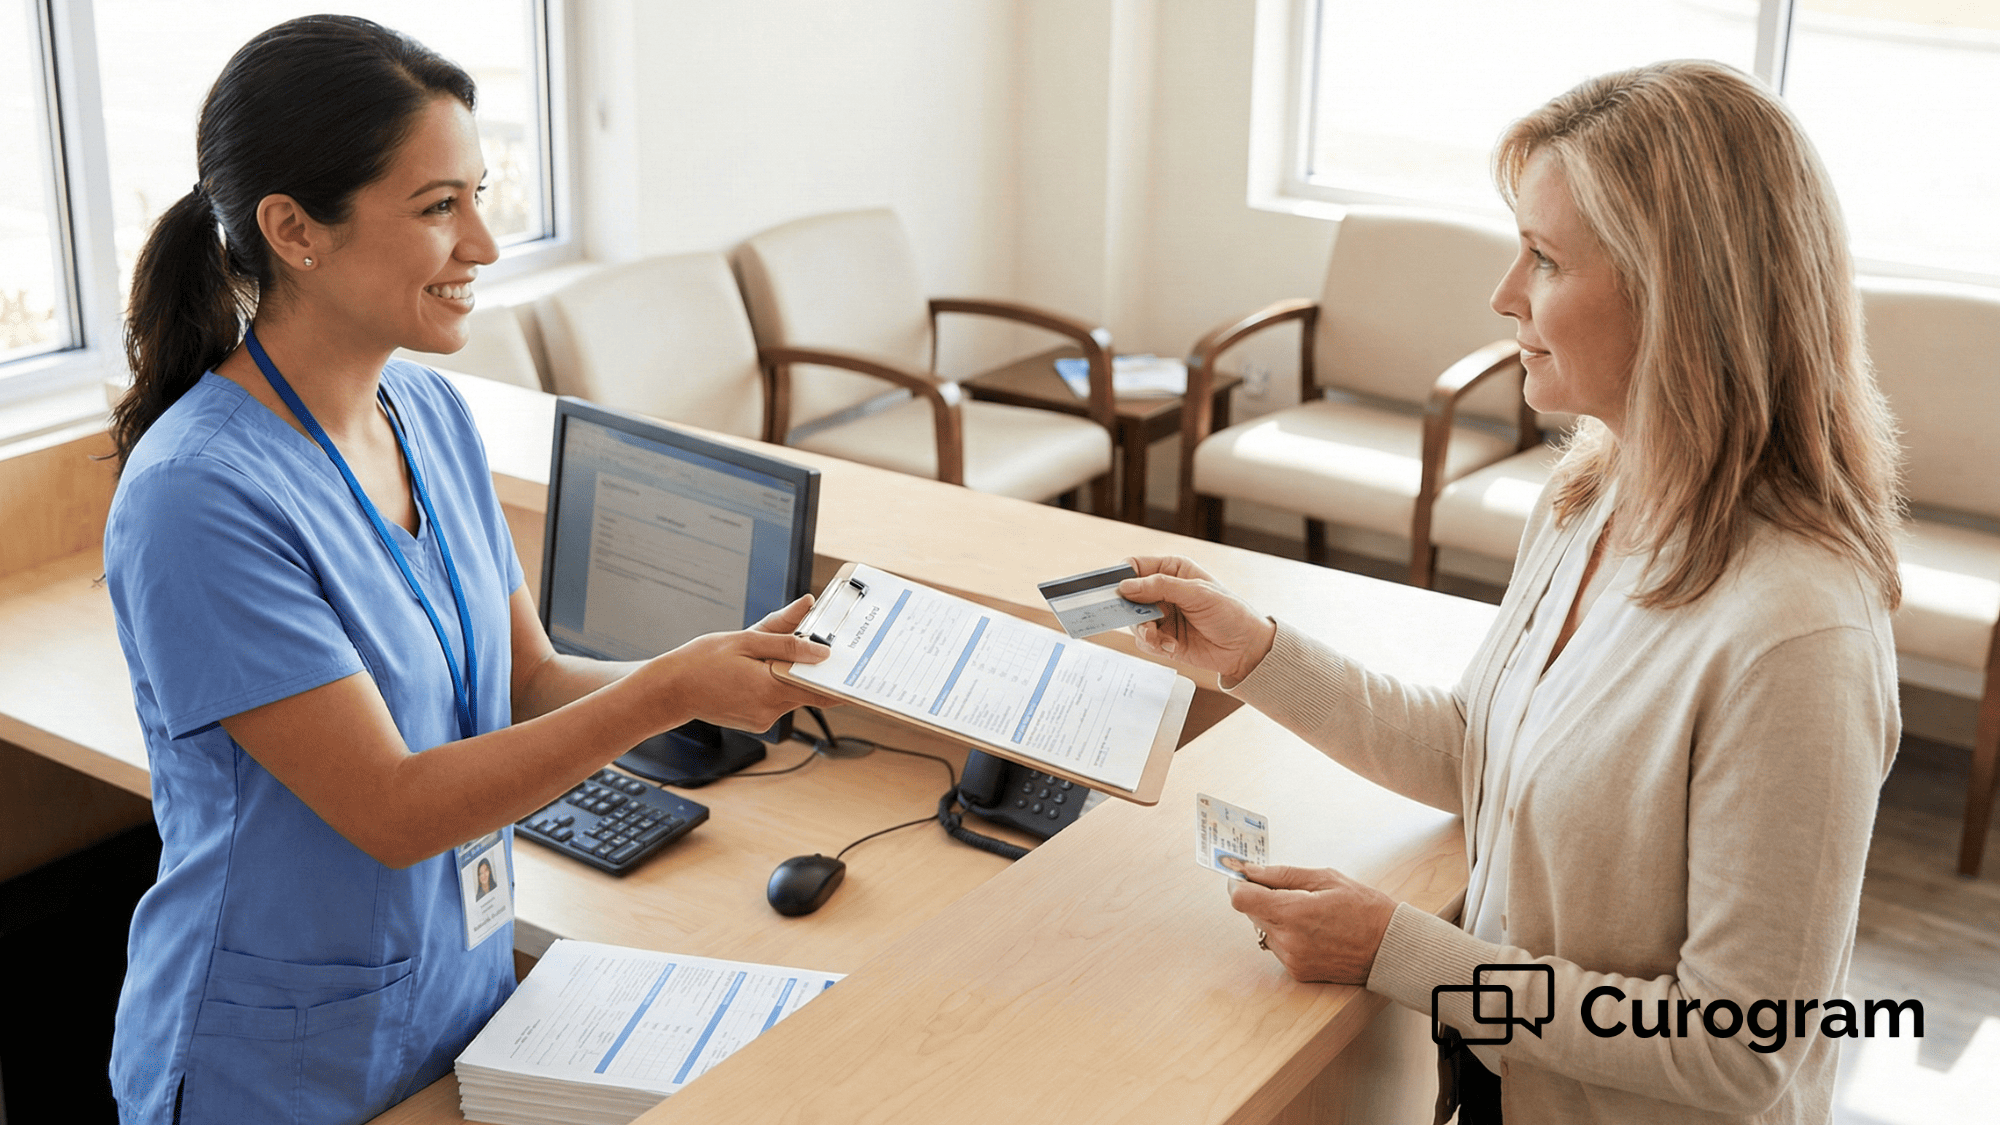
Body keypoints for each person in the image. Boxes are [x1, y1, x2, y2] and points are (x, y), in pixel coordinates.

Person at [1120, 61, 1901, 1124]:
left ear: (1683, 296)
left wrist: (1399, 951)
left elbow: (1738, 1050)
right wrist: (1254, 652)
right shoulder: (1591, 494)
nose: (1502, 295)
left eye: (1542, 257)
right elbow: (1475, 751)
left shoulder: (1794, 630)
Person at [103, 17, 829, 1125]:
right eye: (440, 207)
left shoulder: (430, 415)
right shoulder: (199, 497)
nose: (484, 246)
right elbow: (390, 810)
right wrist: (666, 692)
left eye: (478, 197)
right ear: (295, 229)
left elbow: (527, 680)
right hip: (276, 1055)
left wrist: (711, 671)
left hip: (454, 997)